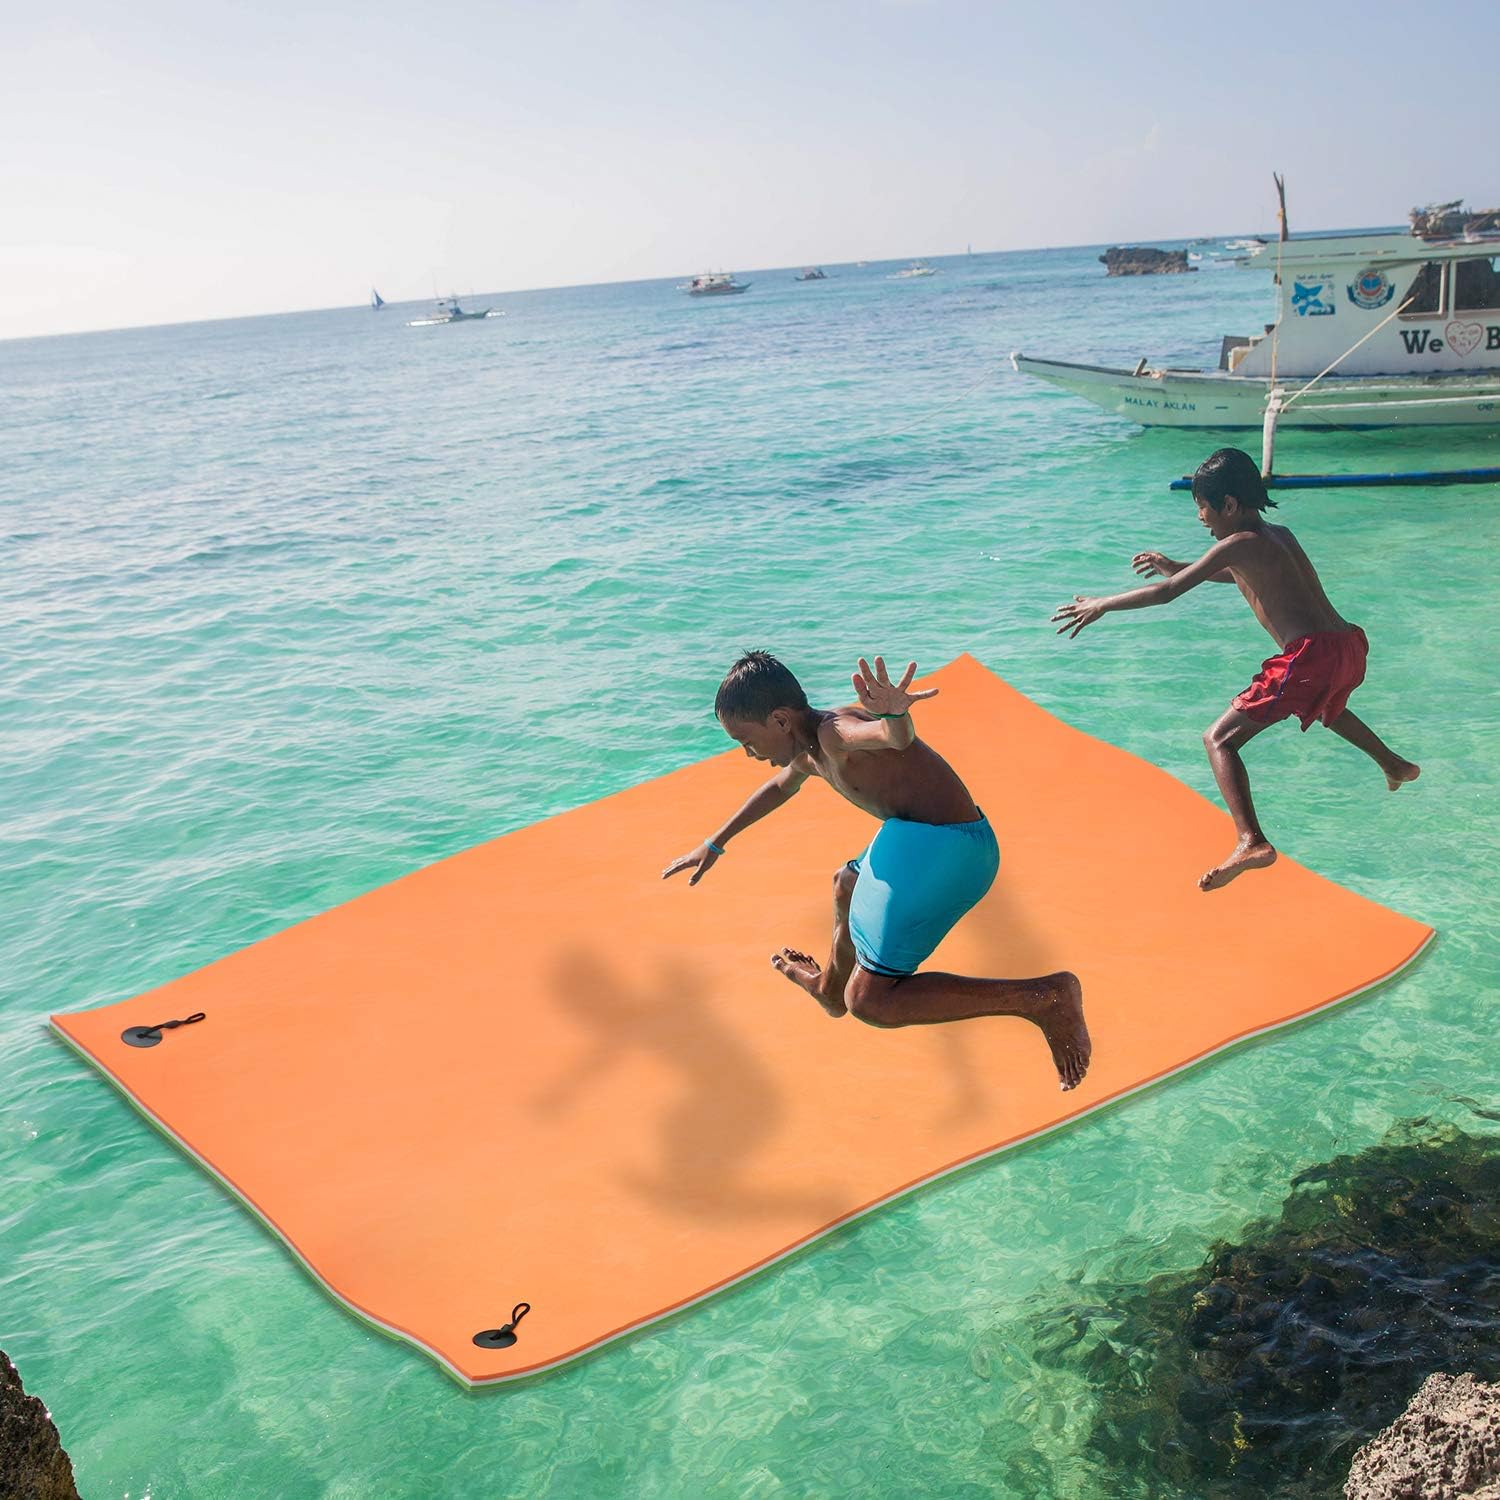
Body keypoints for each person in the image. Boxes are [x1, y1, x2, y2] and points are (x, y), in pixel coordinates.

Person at [661, 650, 1091, 1091]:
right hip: (917, 838)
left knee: (871, 1002)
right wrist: (715, 842)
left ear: (781, 721)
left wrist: (894, 716)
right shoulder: (808, 755)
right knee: (846, 883)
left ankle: (1045, 997)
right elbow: (777, 788)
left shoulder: (832, 733)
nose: (749, 754)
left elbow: (890, 737)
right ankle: (829, 990)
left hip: (953, 850)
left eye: (747, 741)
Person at [1052, 447, 1419, 892]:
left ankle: (1251, 841)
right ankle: (1393, 763)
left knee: (1219, 739)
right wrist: (1180, 565)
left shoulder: (1236, 544)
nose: (1200, 518)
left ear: (1228, 504)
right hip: (1347, 645)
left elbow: (1168, 592)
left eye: (1202, 508)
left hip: (1310, 655)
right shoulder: (1278, 535)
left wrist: (1102, 604)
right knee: (1325, 703)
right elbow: (1248, 575)